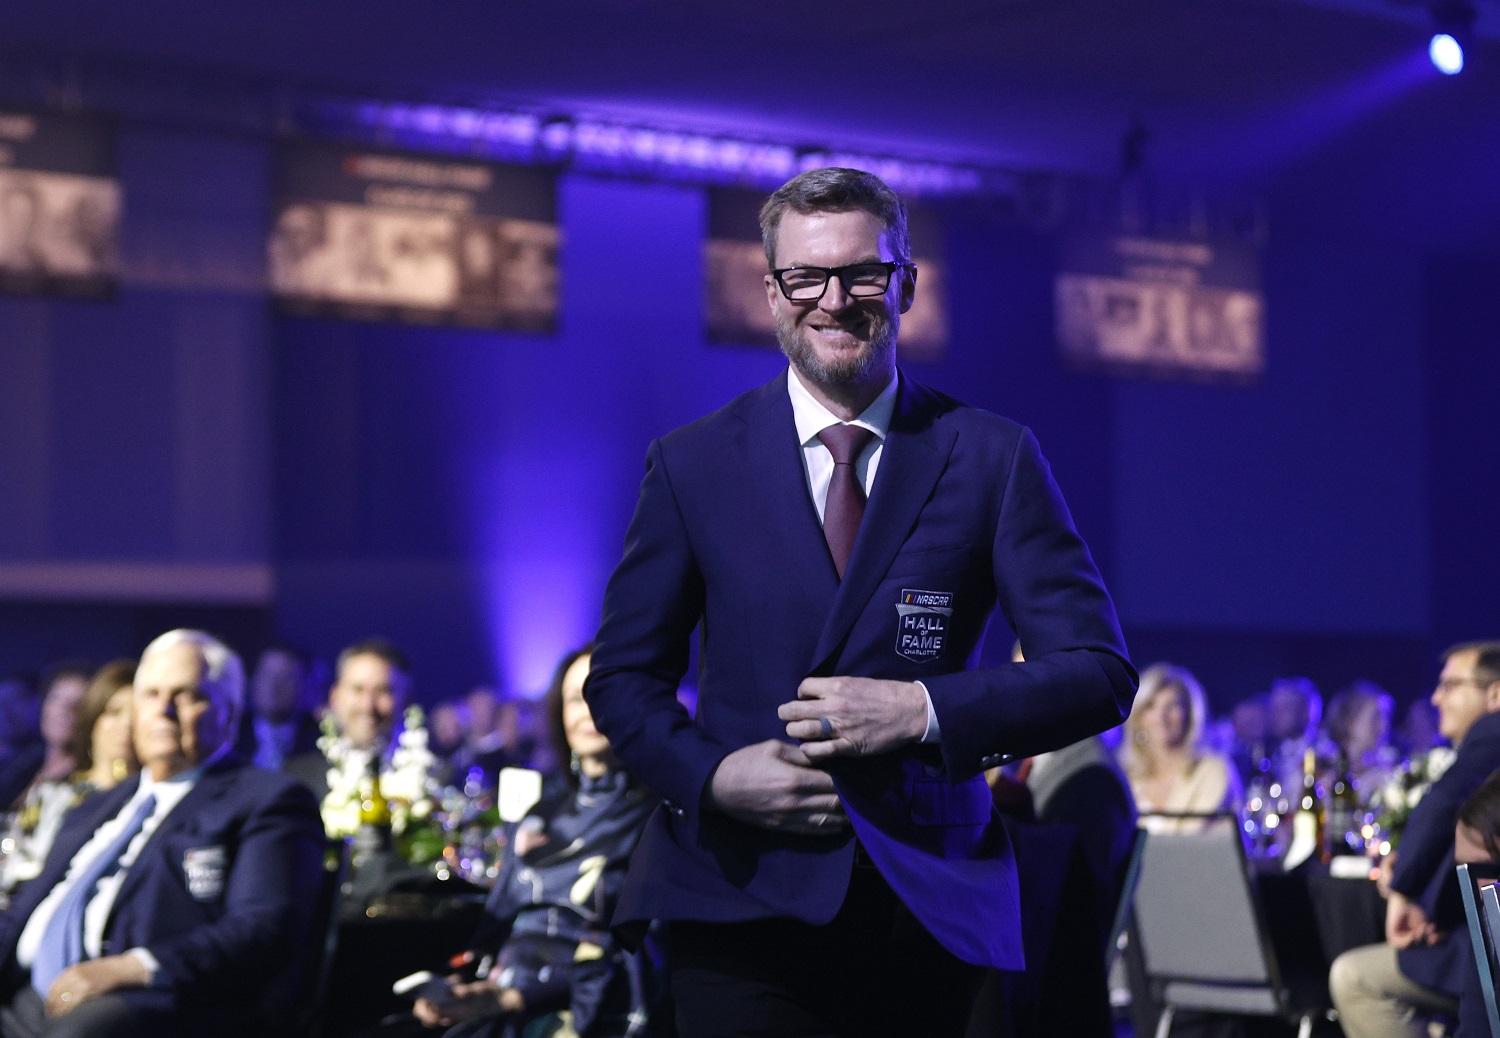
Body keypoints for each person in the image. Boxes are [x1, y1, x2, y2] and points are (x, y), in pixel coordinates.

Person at [585, 166, 1135, 1037]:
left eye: (862, 274)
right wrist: (715, 776)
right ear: (771, 292)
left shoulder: (991, 456)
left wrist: (921, 711)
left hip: (930, 894)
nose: (834, 300)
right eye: (806, 277)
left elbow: (1099, 673)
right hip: (739, 894)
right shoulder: (694, 464)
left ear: (906, 285)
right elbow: (620, 678)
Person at [0, 629, 325, 1038]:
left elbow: (260, 928)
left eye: (186, 695)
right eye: (150, 695)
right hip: (26, 995)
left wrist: (133, 967)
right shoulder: (94, 805)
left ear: (229, 710)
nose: (163, 710)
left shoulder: (265, 799)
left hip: (150, 1002)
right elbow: (23, 910)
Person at [379, 647, 656, 1038]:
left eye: (602, 693)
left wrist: (513, 997)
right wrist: (453, 988)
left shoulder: (658, 815)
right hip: (498, 996)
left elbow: (641, 952)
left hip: (588, 1008)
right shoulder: (540, 813)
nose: (587, 710)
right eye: (575, 698)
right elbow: (496, 928)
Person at [1330, 641, 1500, 1038]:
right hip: (1471, 939)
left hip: (1483, 956)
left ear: (1495, 694)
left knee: (1352, 977)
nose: (1437, 697)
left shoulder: (1493, 730)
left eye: (1452, 685)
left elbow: (1445, 806)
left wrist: (1405, 891)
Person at [1, 661, 140, 894]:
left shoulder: (93, 792)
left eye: (78, 703)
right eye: (56, 698)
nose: (65, 710)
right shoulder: (23, 766)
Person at [285, 638, 412, 803]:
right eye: (357, 690)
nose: (368, 705)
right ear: (334, 697)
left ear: (406, 701)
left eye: (383, 691)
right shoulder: (296, 778)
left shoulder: (434, 779)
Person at [1120, 663, 1241, 833]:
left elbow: (1193, 841)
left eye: (1172, 706)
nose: (1161, 717)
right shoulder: (1126, 779)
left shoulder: (1212, 771)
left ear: (1189, 715)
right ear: (1138, 717)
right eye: (1150, 706)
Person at [238, 645, 320, 772]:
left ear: (303, 685)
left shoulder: (319, 739)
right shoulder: (232, 735)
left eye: (285, 678)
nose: (274, 686)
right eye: (267, 675)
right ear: (252, 680)